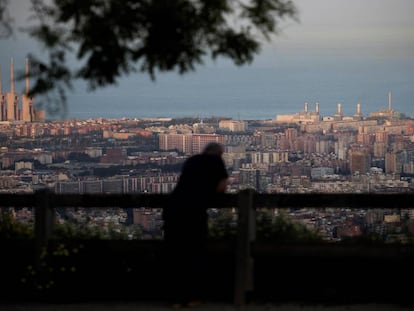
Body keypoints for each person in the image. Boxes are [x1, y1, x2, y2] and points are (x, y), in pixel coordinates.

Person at [162, 142, 229, 308]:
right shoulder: (216, 161)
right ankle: (193, 297)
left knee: (175, 254)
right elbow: (222, 187)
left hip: (173, 209)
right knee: (195, 253)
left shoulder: (191, 160)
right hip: (193, 212)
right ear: (218, 153)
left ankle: (175, 299)